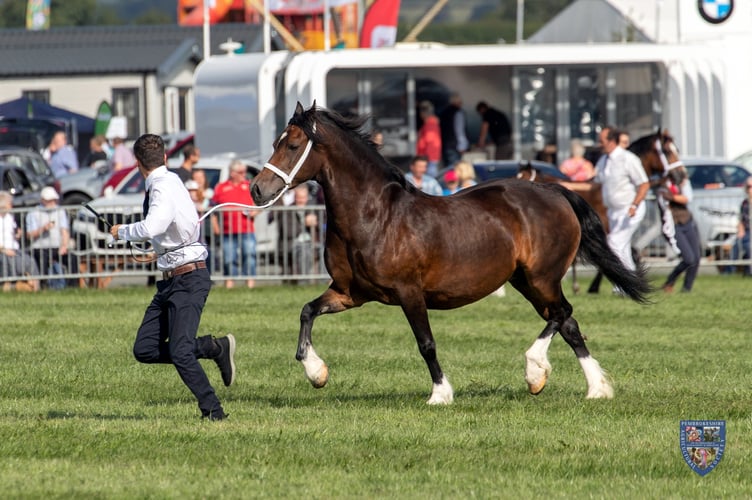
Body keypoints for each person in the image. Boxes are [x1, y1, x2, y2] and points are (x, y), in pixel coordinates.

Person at [109, 133, 235, 421]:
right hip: (172, 280)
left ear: (138, 164)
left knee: (180, 351)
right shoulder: (172, 180)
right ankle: (213, 347)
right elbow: (177, 226)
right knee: (144, 349)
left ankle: (214, 411)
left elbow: (153, 225)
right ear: (165, 158)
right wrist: (163, 252)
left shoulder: (162, 187)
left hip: (188, 280)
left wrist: (121, 232)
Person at [594, 125, 650, 289]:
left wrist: (634, 205)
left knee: (613, 243)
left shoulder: (628, 159)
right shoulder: (603, 161)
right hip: (614, 212)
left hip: (631, 211)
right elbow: (594, 184)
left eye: (602, 141)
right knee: (623, 250)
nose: (599, 144)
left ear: (612, 141)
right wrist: (566, 185)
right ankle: (631, 285)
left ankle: (620, 285)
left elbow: (644, 184)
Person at [211, 159, 258, 289]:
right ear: (232, 173)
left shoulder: (249, 186)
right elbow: (213, 208)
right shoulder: (221, 187)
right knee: (228, 258)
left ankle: (250, 284)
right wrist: (216, 226)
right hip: (227, 230)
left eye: (244, 171)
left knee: (249, 255)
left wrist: (255, 212)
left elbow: (258, 204)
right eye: (241, 172)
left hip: (246, 229)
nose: (244, 174)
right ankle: (229, 284)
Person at [659, 165, 702, 292]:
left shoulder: (682, 181)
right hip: (674, 225)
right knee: (689, 258)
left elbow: (687, 198)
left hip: (687, 222)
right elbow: (663, 201)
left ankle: (686, 289)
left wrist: (673, 197)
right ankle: (669, 281)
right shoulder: (662, 185)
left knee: (696, 258)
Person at [26, 186, 76, 289]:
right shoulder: (33, 213)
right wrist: (43, 229)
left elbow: (64, 231)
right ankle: (44, 286)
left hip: (57, 246)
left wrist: (64, 246)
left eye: (54, 200)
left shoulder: (60, 211)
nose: (52, 203)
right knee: (41, 259)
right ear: (43, 200)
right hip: (40, 247)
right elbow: (29, 234)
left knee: (72, 258)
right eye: (49, 201)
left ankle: (72, 286)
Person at [271, 183, 319, 281]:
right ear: (295, 197)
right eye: (299, 198)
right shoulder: (288, 210)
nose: (301, 201)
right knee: (303, 251)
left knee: (324, 251)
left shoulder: (312, 209)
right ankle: (303, 282)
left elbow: (321, 226)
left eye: (304, 198)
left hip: (311, 242)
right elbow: (288, 231)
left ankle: (323, 283)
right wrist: (304, 224)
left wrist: (316, 223)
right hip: (293, 242)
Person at [0, 191, 40, 291]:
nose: (12, 205)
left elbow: (13, 233)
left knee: (30, 261)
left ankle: (36, 288)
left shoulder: (10, 217)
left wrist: (18, 234)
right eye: (10, 203)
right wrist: (4, 250)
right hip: (3, 251)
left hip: (14, 249)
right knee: (8, 261)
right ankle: (11, 286)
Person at [729, 179, 752, 276]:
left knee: (748, 245)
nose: (750, 189)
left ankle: (749, 270)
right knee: (736, 245)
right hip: (747, 231)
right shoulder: (745, 203)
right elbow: (741, 220)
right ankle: (730, 271)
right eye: (748, 187)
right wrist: (740, 230)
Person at [439, 92, 469, 168]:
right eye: (460, 101)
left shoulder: (444, 112)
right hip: (455, 146)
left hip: (446, 145)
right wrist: (462, 146)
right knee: (456, 169)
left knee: (448, 169)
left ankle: (449, 180)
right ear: (457, 102)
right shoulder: (458, 113)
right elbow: (459, 130)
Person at [416, 100, 442, 177]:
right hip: (429, 158)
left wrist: (424, 159)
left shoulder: (430, 124)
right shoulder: (430, 123)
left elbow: (430, 143)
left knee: (430, 180)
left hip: (429, 159)